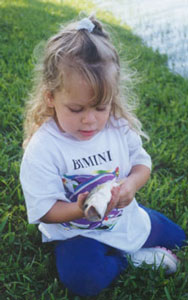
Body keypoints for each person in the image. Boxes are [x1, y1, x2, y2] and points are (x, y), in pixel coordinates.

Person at [20, 16, 186, 297]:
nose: (90, 121)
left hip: (123, 217)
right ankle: (128, 259)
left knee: (179, 238)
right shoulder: (44, 149)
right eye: (76, 109)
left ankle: (131, 239)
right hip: (76, 233)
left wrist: (132, 185)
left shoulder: (117, 126)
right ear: (50, 97)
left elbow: (141, 164)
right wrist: (79, 209)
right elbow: (46, 212)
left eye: (100, 107)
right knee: (84, 280)